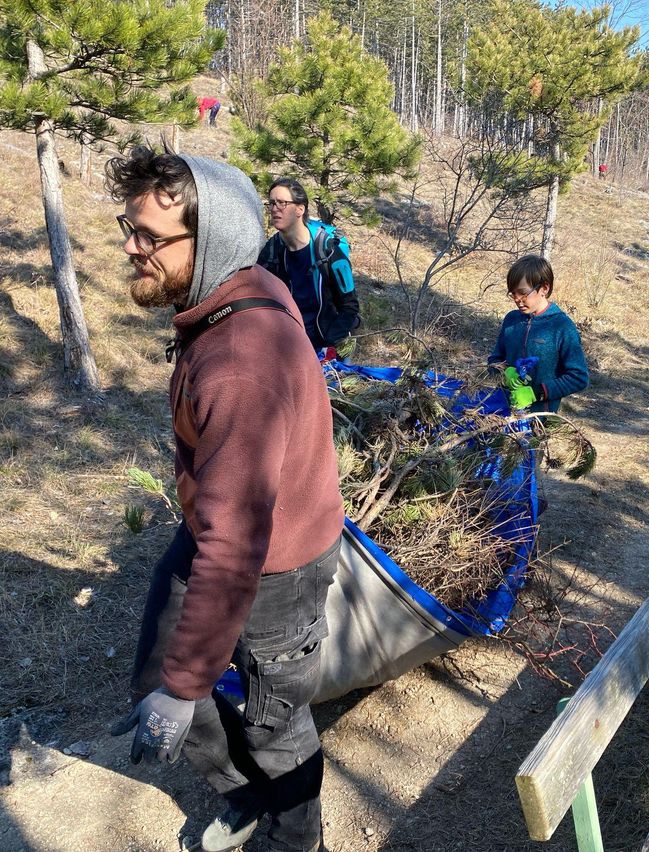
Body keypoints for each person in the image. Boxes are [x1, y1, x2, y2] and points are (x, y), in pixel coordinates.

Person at [104, 146, 343, 852]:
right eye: (130, 226)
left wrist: (186, 692)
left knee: (276, 724)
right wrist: (176, 682)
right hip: (224, 525)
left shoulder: (240, 359)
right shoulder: (229, 292)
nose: (130, 247)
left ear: (211, 244)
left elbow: (238, 544)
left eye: (149, 237)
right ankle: (244, 798)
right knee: (160, 666)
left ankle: (296, 838)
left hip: (277, 564)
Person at [257, 178, 361, 355]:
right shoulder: (272, 250)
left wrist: (331, 341)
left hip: (329, 343)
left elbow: (350, 306)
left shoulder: (329, 249)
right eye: (272, 203)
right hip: (291, 343)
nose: (274, 209)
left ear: (300, 209)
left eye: (282, 203)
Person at [488, 254, 589, 415]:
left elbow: (578, 377)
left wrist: (536, 393)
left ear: (544, 288)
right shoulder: (511, 320)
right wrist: (504, 373)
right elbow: (494, 360)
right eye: (513, 293)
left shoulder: (562, 326)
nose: (517, 299)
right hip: (501, 415)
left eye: (522, 293)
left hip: (539, 421)